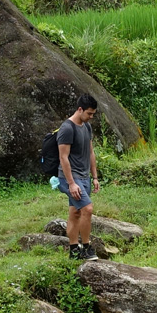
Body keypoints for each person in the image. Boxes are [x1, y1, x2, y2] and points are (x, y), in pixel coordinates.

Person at [54, 94, 103, 260]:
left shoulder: (86, 127)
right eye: (89, 113)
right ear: (80, 109)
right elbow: (63, 157)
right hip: (69, 178)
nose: (91, 117)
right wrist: (71, 184)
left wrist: (95, 177)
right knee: (87, 209)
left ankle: (74, 250)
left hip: (84, 177)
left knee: (75, 213)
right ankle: (87, 248)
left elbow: (90, 152)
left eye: (93, 114)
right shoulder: (67, 128)